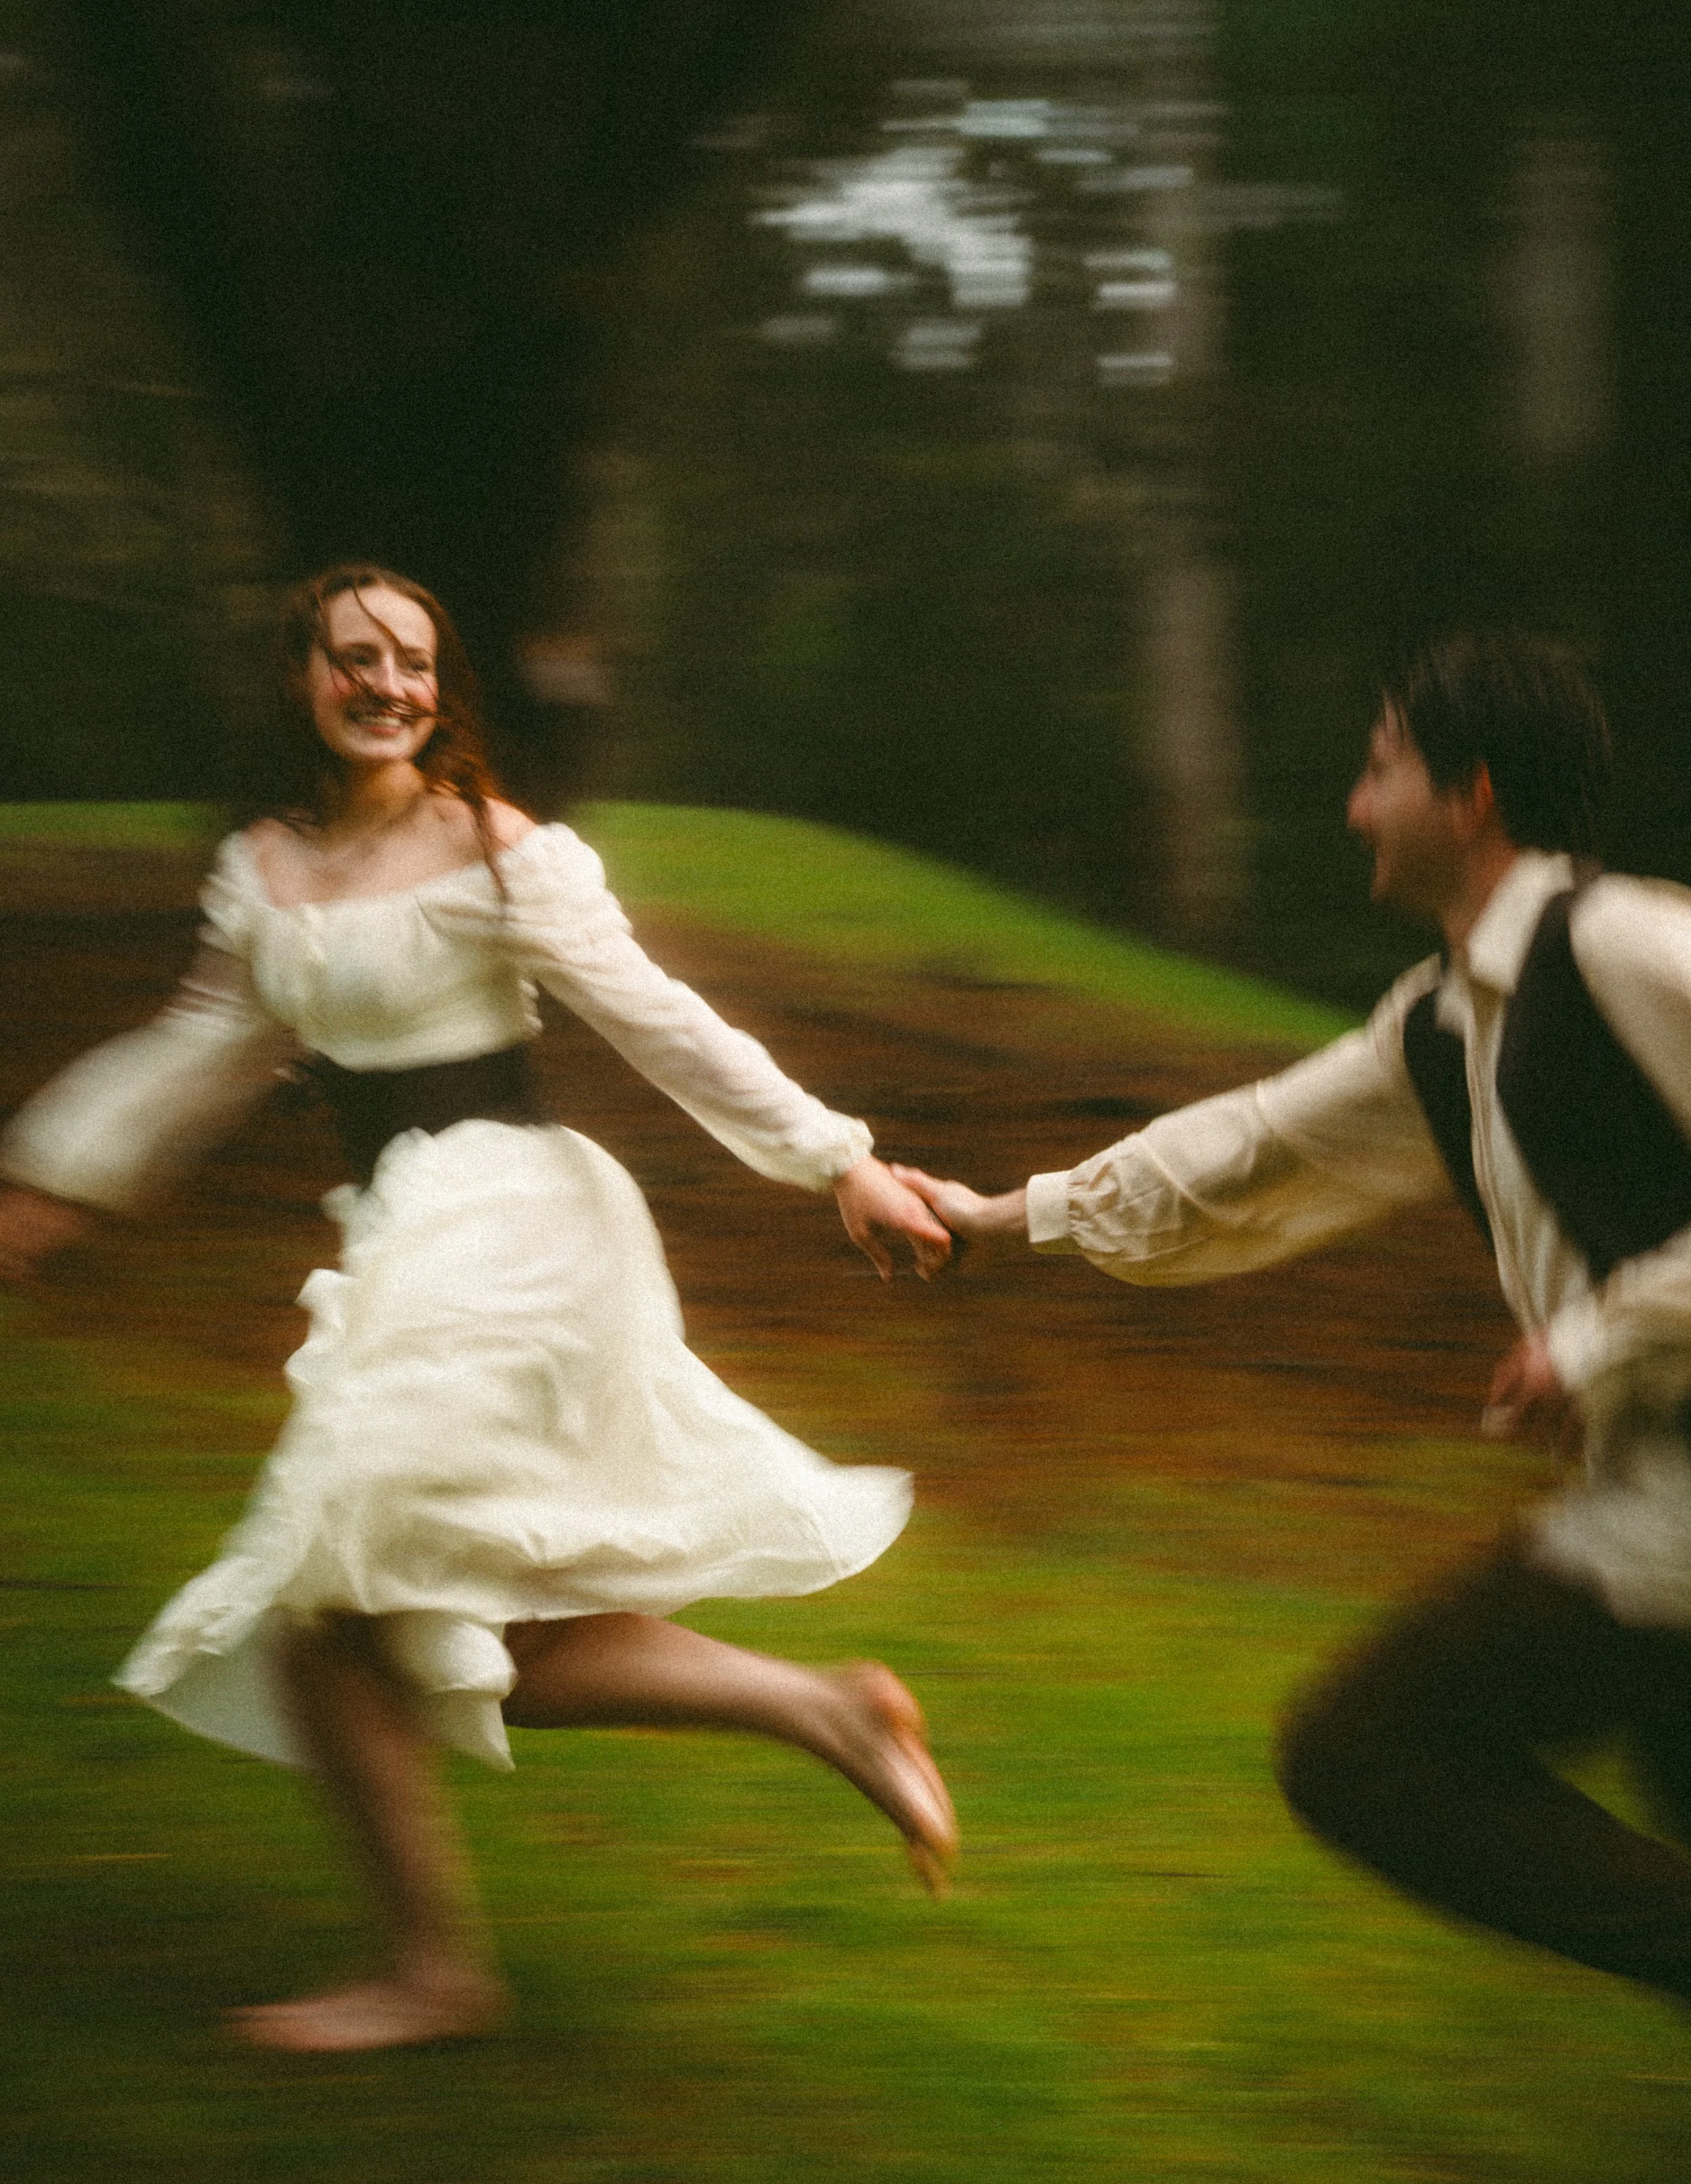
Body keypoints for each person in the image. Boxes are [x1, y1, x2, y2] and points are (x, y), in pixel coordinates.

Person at [0, 563, 957, 2053]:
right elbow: (198, 1048)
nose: (387, 683)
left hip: (512, 1227)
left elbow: (662, 1020)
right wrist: (54, 1180)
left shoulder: (502, 853)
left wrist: (838, 1160)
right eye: (354, 657)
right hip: (398, 1231)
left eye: (414, 661)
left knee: (346, 1587)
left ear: (443, 691)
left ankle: (438, 1968)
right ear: (301, 679)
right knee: (393, 1617)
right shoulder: (267, 872)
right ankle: (818, 1712)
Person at [895, 630, 1691, 2011]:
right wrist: (990, 1214)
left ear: (1475, 795)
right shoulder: (1437, 1025)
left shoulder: (1617, 940)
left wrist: (1596, 1339)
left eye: (1380, 768)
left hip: (1664, 1515)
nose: (1352, 805)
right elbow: (1245, 1148)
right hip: (1641, 1501)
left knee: (1364, 1752)